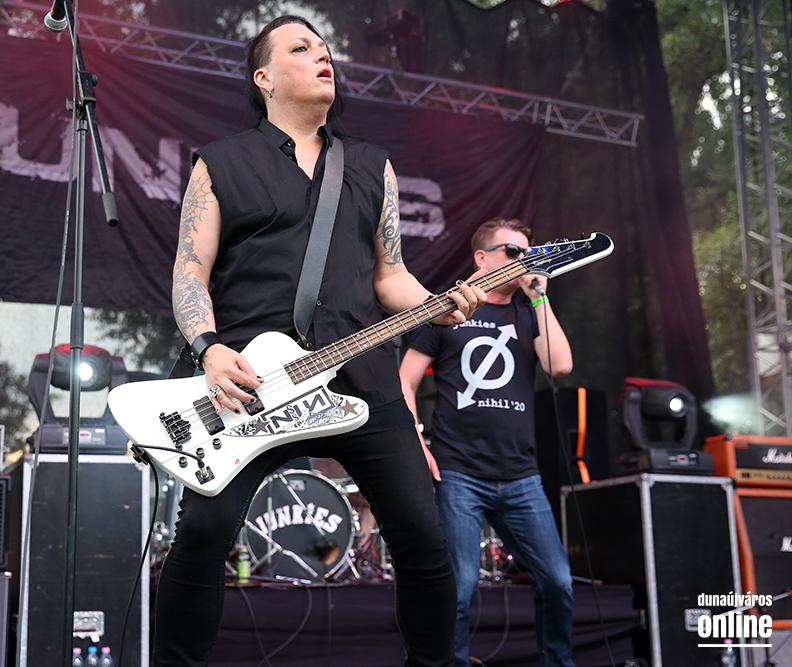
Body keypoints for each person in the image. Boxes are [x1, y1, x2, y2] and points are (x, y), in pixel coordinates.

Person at [159, 15, 486, 667]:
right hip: (250, 383)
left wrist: (438, 305)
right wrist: (209, 348)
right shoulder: (220, 163)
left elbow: (390, 276)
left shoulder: (370, 165)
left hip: (362, 377)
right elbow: (190, 272)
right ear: (264, 77)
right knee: (202, 535)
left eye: (325, 48)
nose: (322, 56)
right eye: (301, 48)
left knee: (424, 539)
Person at [399, 218, 576, 667]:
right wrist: (417, 441)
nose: (523, 260)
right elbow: (405, 381)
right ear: (482, 258)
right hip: (459, 472)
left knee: (558, 581)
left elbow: (559, 367)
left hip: (521, 475)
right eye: (512, 252)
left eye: (528, 253)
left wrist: (539, 296)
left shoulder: (529, 312)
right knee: (459, 587)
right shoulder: (449, 311)